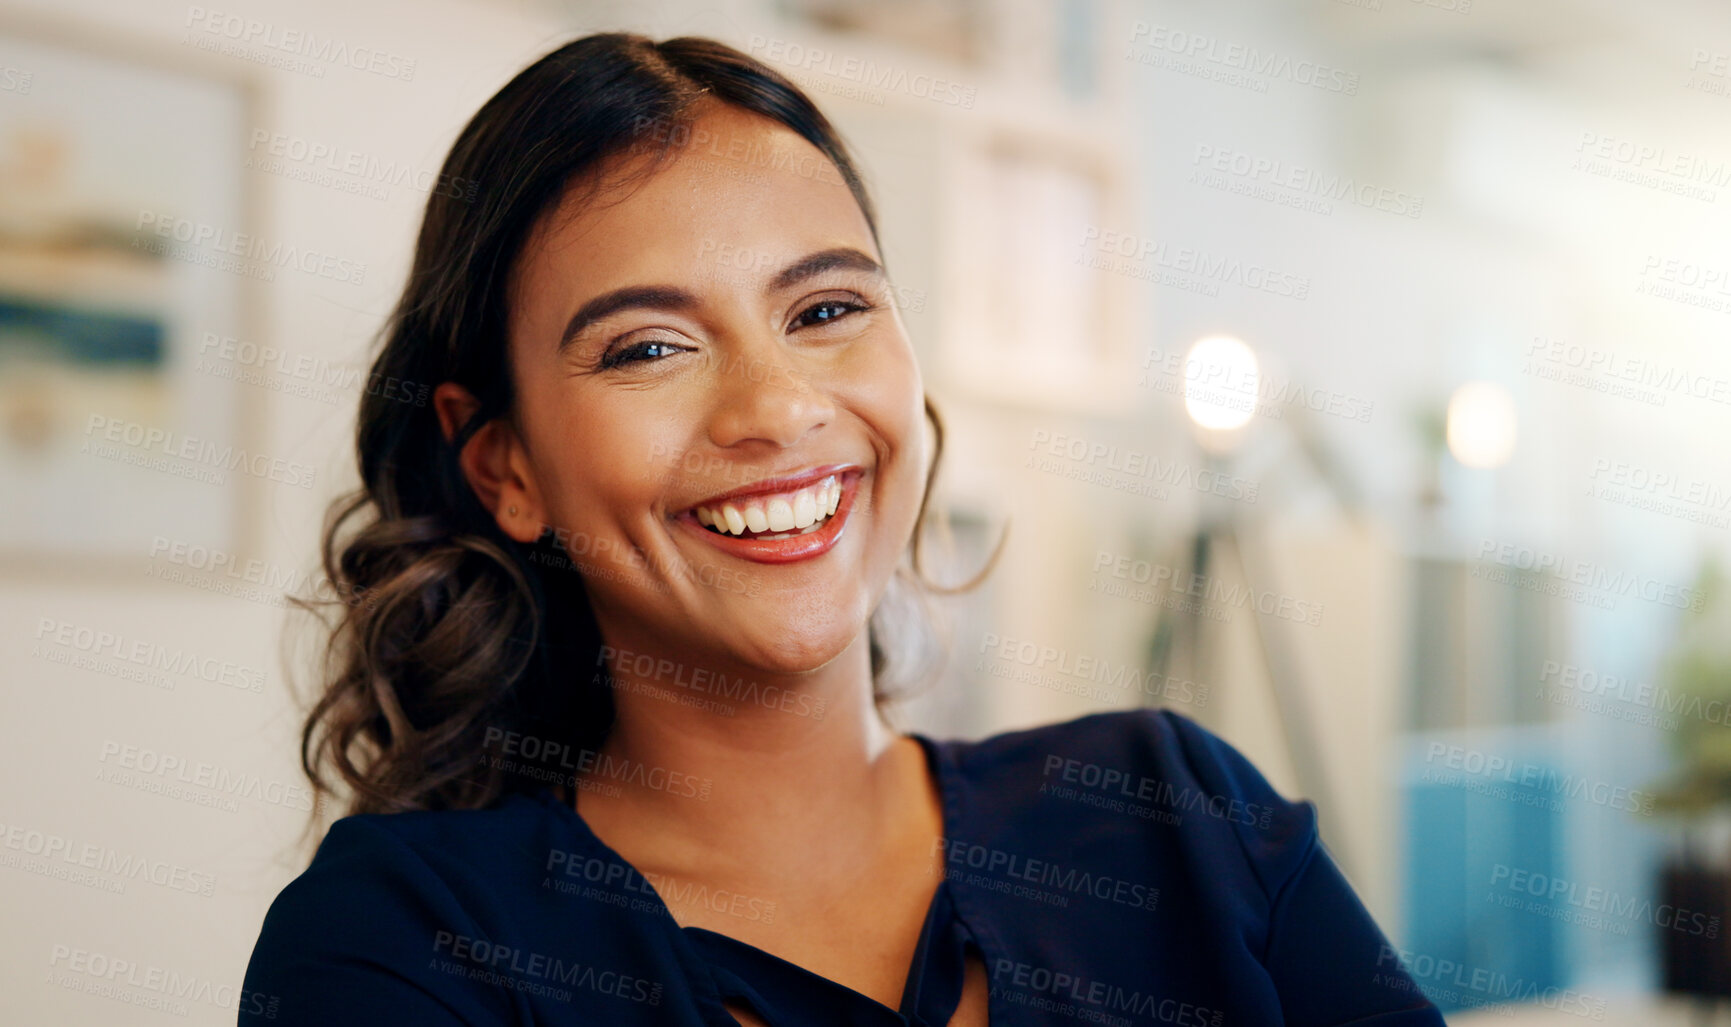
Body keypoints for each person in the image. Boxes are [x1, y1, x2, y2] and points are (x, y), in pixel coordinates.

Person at [238, 31, 1446, 1027]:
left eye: (825, 307)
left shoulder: (1178, 815)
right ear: (505, 464)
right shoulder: (400, 947)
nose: (777, 408)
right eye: (648, 346)